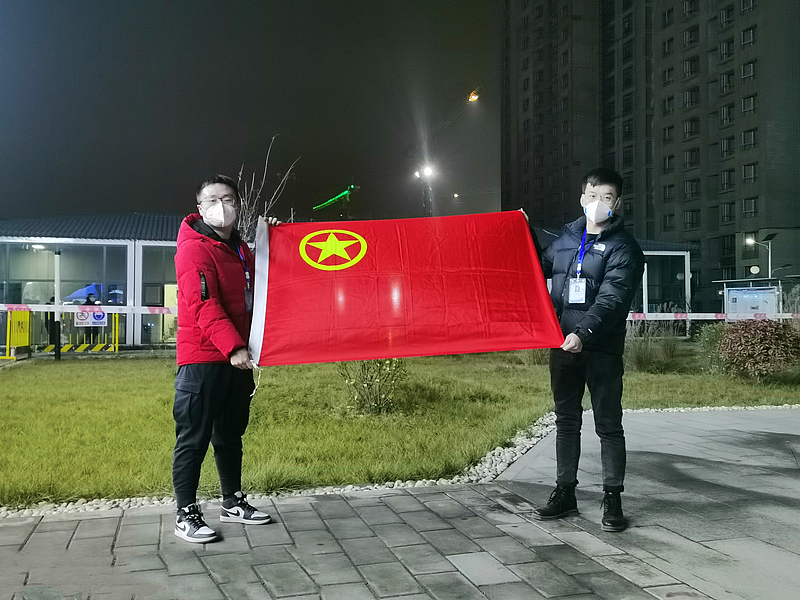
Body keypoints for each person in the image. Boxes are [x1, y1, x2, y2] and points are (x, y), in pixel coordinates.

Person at [533, 168, 644, 532]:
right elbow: (534, 266)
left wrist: (584, 333)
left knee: (608, 425)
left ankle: (612, 498)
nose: (598, 203)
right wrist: (522, 231)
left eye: (606, 197)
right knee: (566, 421)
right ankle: (565, 492)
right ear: (582, 198)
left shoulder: (624, 248)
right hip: (562, 346)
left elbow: (613, 299)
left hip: (601, 349)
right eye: (592, 196)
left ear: (617, 203)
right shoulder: (566, 239)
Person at [172, 174, 279, 543]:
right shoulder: (194, 249)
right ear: (200, 208)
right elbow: (203, 303)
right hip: (204, 359)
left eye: (229, 199)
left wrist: (274, 239)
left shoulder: (239, 249)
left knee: (230, 435)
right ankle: (185, 512)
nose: (222, 206)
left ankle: (232, 502)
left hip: (237, 358)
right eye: (213, 200)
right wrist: (233, 347)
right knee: (194, 436)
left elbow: (265, 283)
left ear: (238, 204)